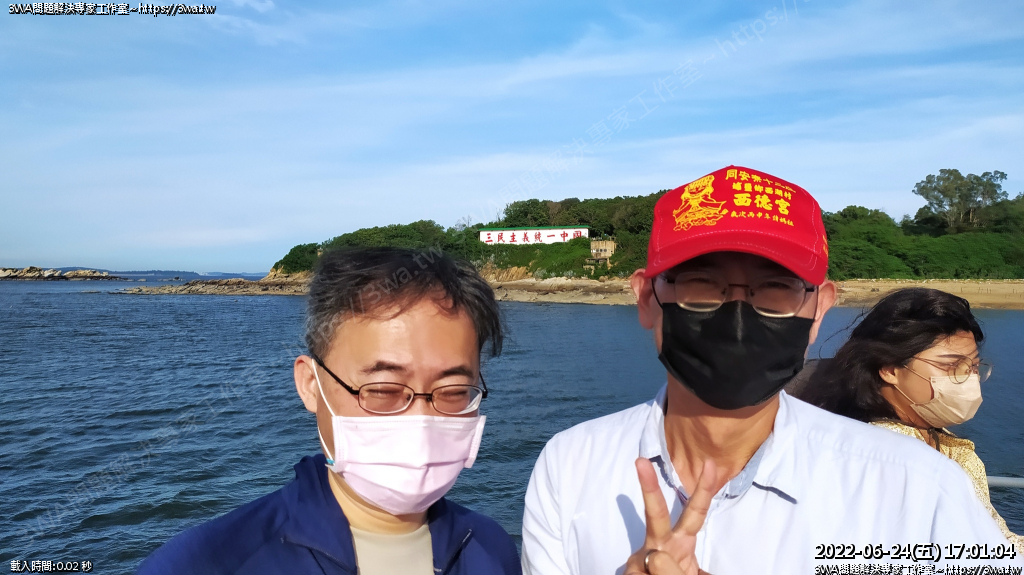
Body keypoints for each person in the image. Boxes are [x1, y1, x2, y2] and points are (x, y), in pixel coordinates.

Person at [520, 166, 1022, 575]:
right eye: (700, 283)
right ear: (647, 299)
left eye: (776, 287)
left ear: (819, 309)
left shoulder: (915, 489)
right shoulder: (570, 468)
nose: (737, 318)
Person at [138, 247, 521, 575]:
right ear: (311, 384)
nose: (420, 420)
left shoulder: (492, 548)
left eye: (453, 391)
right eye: (383, 389)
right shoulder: (201, 563)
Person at [797, 287, 1024, 553]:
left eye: (973, 367)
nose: (969, 380)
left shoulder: (941, 442)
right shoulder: (886, 461)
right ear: (890, 369)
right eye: (951, 366)